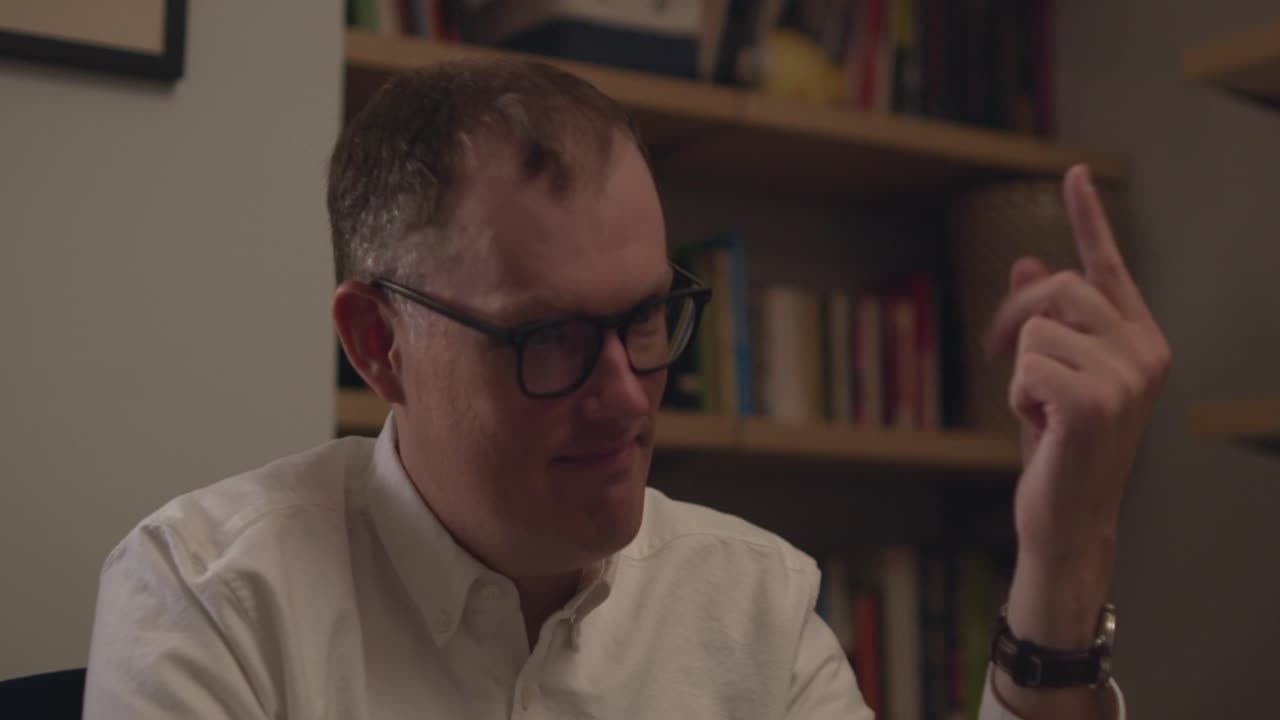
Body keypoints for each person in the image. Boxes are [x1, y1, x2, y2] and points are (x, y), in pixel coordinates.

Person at [83, 58, 1169, 719]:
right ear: (379, 345)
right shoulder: (210, 601)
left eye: (646, 316)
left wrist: (1064, 552)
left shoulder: (752, 604)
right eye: (550, 336)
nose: (625, 395)